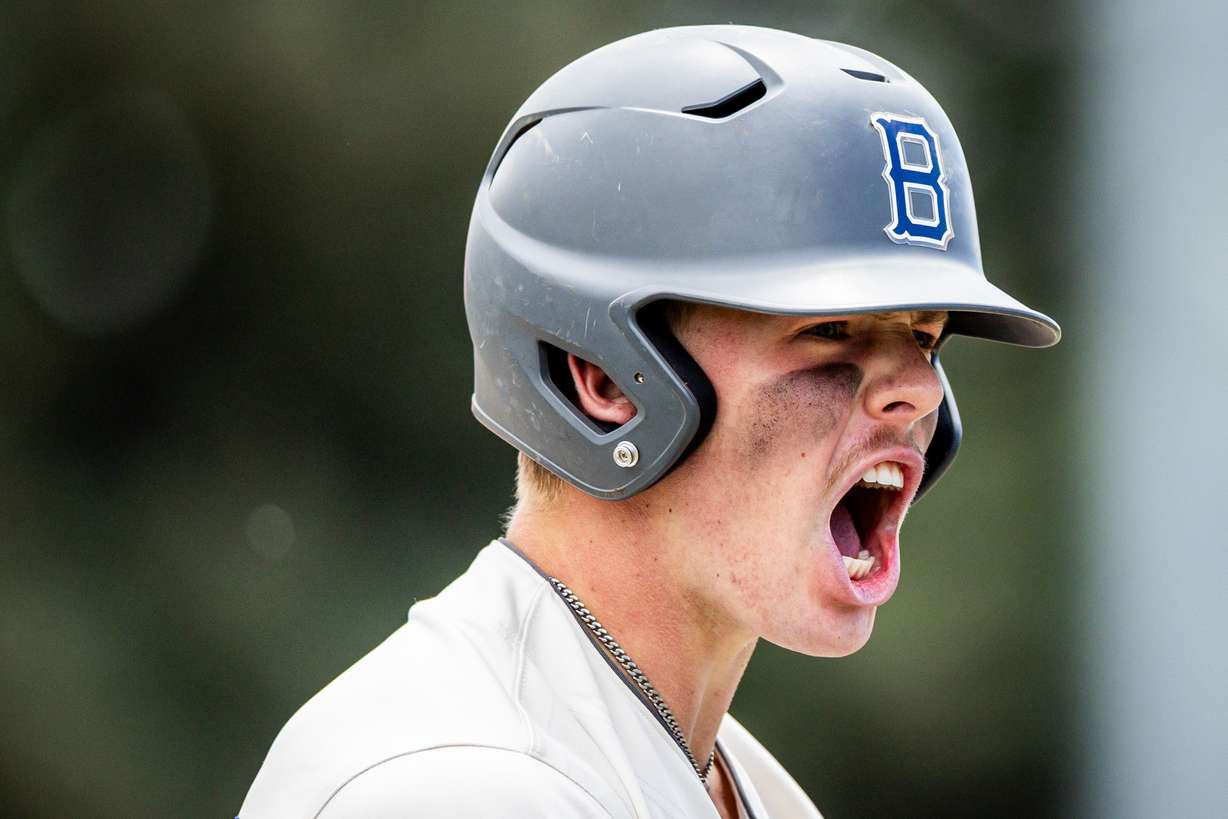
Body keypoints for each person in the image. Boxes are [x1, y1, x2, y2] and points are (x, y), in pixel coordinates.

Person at [239, 24, 1059, 818]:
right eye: (829, 330)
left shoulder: (729, 779)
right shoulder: (457, 789)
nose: (917, 386)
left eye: (922, 336)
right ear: (604, 377)